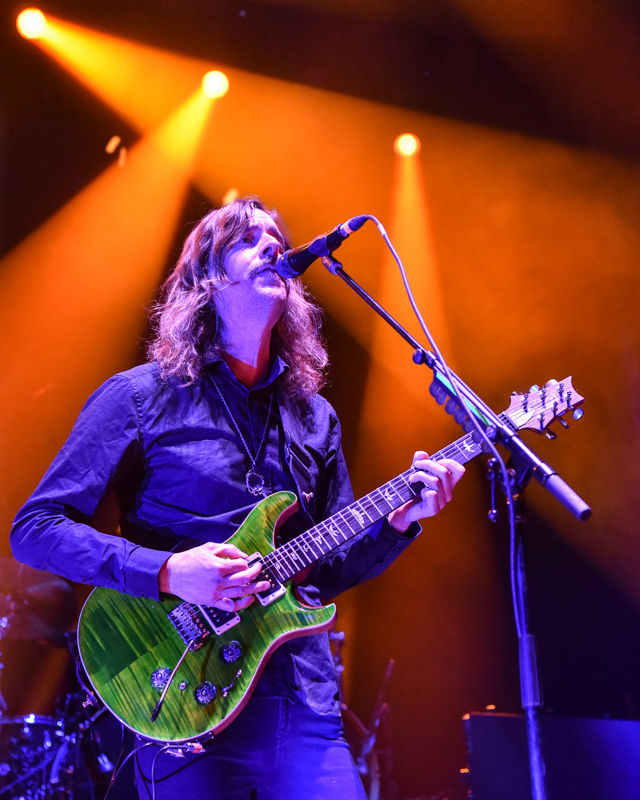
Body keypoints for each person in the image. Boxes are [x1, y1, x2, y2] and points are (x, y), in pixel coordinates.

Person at [11, 196, 464, 800]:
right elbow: (36, 526)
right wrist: (170, 572)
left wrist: (400, 522)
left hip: (303, 701)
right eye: (251, 240)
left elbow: (324, 571)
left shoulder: (314, 416)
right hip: (182, 697)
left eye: (279, 237)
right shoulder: (140, 397)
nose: (276, 246)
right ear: (207, 278)